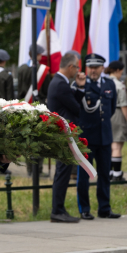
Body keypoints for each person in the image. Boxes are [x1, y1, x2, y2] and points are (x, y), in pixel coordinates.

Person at [75, 54, 121, 219]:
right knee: (84, 176)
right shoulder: (80, 84)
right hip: (86, 137)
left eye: (96, 67)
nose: (93, 71)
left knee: (104, 174)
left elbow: (112, 108)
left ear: (102, 68)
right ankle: (84, 209)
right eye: (90, 67)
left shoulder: (109, 84)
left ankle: (104, 208)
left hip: (104, 136)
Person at [47, 52, 86, 223]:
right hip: (62, 135)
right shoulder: (61, 84)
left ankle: (59, 209)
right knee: (62, 173)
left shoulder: (60, 82)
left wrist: (78, 88)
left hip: (62, 134)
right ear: (71, 67)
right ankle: (57, 210)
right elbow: (77, 108)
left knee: (62, 172)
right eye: (77, 67)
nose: (78, 70)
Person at [106, 60, 127, 181]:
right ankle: (117, 174)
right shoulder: (119, 85)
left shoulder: (103, 82)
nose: (121, 74)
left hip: (105, 114)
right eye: (121, 72)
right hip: (117, 113)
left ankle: (110, 172)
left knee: (110, 146)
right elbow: (124, 105)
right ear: (117, 71)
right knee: (117, 146)